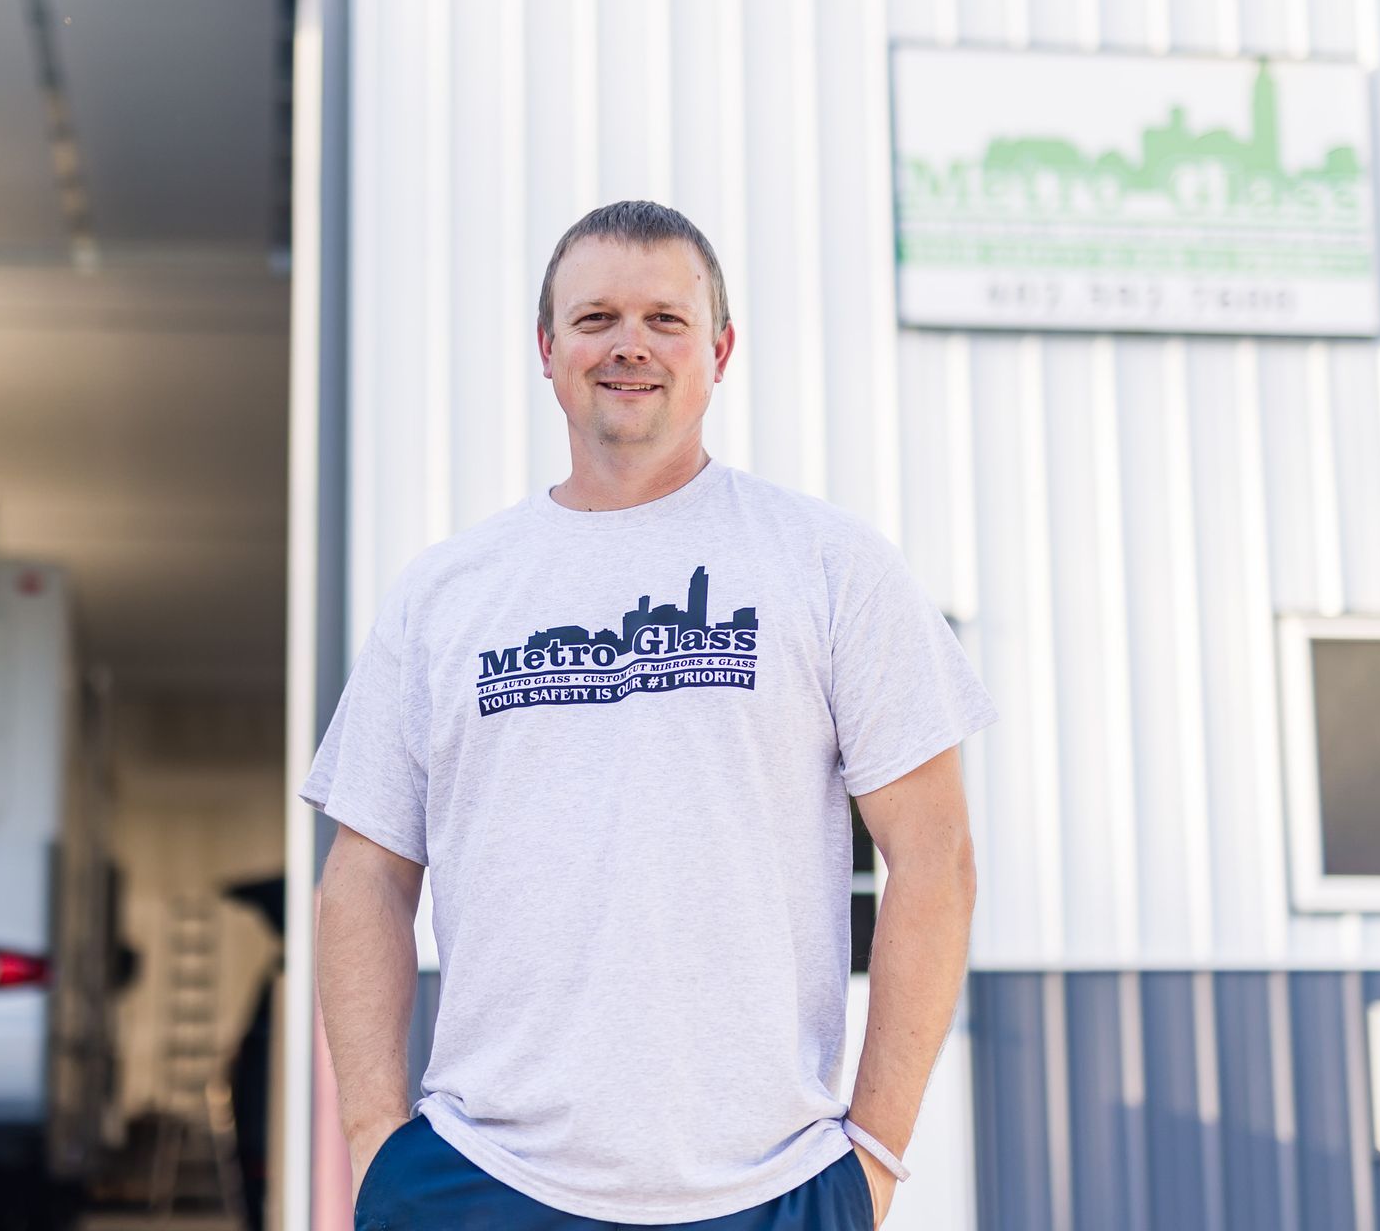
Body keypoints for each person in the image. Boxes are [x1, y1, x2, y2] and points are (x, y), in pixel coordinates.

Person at [306, 200, 999, 1229]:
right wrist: (373, 1141)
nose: (629, 342)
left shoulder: (826, 565)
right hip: (479, 1179)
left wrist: (877, 1154)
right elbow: (363, 875)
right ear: (547, 349)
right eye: (595, 318)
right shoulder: (445, 593)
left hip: (768, 1185)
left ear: (720, 350)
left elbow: (935, 854)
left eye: (666, 319)